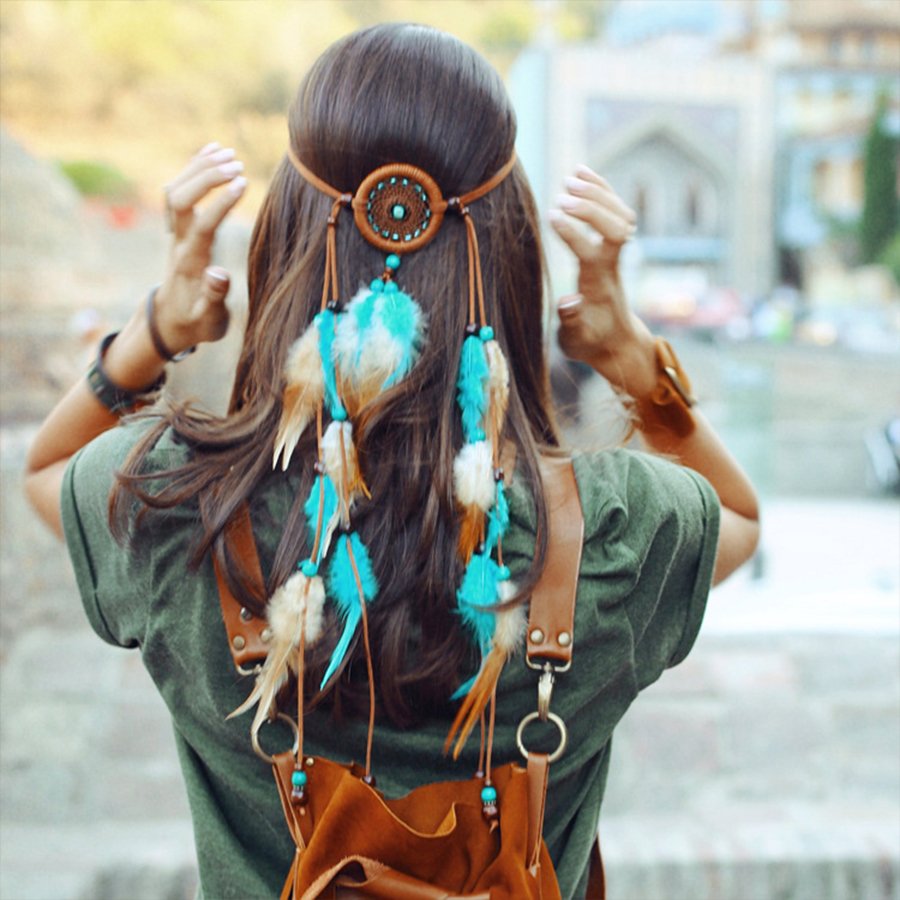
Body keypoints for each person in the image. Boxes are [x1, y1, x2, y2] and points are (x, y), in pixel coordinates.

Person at [24, 23, 759, 900]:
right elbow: (739, 518)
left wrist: (158, 330)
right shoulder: (614, 530)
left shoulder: (175, 506)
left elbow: (47, 469)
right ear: (514, 255)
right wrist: (631, 356)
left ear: (284, 249)